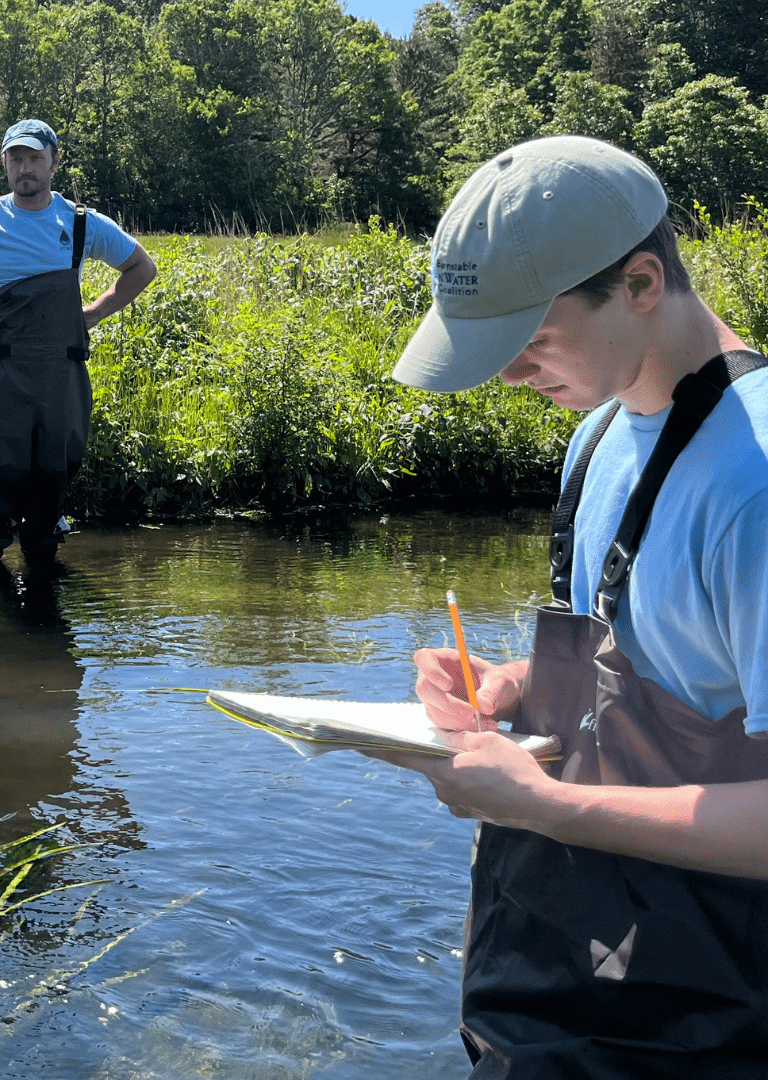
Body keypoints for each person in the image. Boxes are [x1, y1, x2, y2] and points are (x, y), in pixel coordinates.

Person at [373, 135, 768, 1076]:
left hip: (708, 1017)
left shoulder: (754, 487)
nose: (509, 376)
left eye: (531, 341)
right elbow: (655, 661)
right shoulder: (598, 433)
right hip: (574, 988)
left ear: (639, 284)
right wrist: (508, 683)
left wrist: (551, 808)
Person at [0, 118, 157, 573]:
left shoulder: (81, 225)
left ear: (55, 161)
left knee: (52, 482)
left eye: (35, 157)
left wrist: (93, 313)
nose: (26, 168)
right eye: (16, 158)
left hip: (61, 375)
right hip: (1, 374)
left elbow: (141, 267)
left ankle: (41, 576)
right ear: (4, 164)